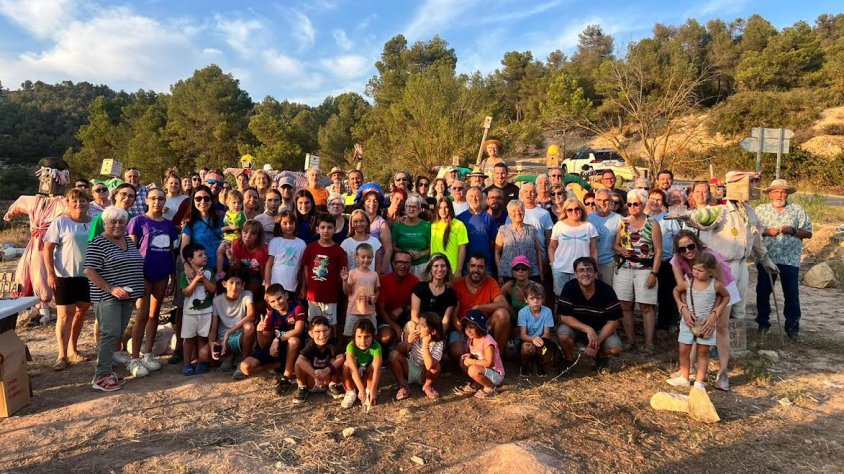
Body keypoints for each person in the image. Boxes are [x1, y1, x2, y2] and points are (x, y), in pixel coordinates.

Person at [83, 206, 145, 391]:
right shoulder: (98, 243)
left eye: (121, 222)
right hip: (107, 296)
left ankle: (107, 369)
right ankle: (100, 376)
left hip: (128, 295)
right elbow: (89, 270)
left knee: (116, 333)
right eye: (113, 222)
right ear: (104, 224)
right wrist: (111, 288)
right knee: (109, 333)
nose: (117, 225)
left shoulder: (127, 240)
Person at [671, 230, 739, 390]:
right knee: (694, 325)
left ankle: (723, 373)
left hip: (722, 290)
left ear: (696, 243)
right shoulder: (676, 261)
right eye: (682, 249)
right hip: (694, 293)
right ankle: (689, 369)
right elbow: (680, 289)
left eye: (690, 246)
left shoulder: (711, 258)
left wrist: (713, 315)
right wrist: (684, 309)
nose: (687, 251)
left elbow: (719, 291)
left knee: (720, 327)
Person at [127, 188, 179, 375]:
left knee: (155, 313)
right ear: (147, 200)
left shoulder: (169, 225)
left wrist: (173, 275)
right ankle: (134, 358)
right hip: (143, 272)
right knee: (142, 314)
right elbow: (132, 249)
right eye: (153, 198)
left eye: (161, 199)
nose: (157, 202)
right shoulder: (138, 221)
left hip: (162, 272)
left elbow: (172, 251)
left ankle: (148, 354)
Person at [755, 179, 812, 342]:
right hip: (766, 257)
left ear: (787, 194)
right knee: (763, 292)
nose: (780, 194)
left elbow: (808, 233)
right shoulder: (760, 210)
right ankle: (763, 325)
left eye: (783, 191)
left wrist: (793, 230)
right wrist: (766, 232)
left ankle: (792, 328)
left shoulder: (797, 210)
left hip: (790, 259)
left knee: (792, 294)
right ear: (770, 194)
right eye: (776, 191)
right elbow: (752, 231)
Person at [44, 188, 91, 371]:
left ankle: (73, 349)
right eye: (75, 201)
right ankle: (61, 355)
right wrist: (50, 273)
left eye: (83, 201)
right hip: (64, 275)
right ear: (68, 203)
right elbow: (47, 249)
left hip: (87, 275)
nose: (79, 204)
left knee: (81, 312)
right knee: (65, 315)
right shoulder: (61, 222)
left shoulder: (94, 222)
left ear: (88, 203)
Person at [667, 252, 730, 387]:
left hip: (706, 325)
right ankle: (684, 377)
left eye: (700, 270)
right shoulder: (688, 283)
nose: (695, 272)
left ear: (710, 272)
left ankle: (699, 381)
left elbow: (726, 297)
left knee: (703, 352)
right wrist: (681, 305)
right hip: (688, 323)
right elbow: (676, 291)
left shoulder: (716, 285)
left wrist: (716, 311)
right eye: (694, 269)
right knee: (684, 350)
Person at [613, 189, 662, 354]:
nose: (632, 207)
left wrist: (654, 273)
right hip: (625, 267)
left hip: (645, 269)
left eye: (636, 204)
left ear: (643, 204)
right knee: (624, 305)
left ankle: (649, 344)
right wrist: (620, 250)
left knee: (646, 306)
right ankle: (631, 340)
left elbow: (659, 252)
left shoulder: (652, 224)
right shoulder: (624, 222)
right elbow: (616, 245)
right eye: (629, 204)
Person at [556, 257, 623, 370]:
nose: (585, 273)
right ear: (576, 274)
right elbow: (564, 317)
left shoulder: (607, 290)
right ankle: (568, 360)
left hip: (600, 330)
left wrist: (595, 343)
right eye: (581, 270)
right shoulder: (569, 287)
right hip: (577, 329)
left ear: (596, 273)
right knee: (563, 335)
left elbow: (613, 322)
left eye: (589, 270)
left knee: (616, 349)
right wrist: (588, 330)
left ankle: (600, 357)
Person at [245, 285, 305, 394]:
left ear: (286, 295)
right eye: (272, 301)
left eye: (279, 298)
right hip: (277, 351)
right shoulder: (271, 315)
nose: (277, 303)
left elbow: (298, 330)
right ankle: (280, 366)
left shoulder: (297, 308)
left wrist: (277, 339)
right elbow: (264, 345)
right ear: (269, 302)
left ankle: (286, 378)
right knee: (245, 367)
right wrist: (259, 331)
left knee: (293, 341)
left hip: (294, 349)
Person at [451, 254, 510, 358]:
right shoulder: (457, 284)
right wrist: (462, 329)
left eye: (480, 267)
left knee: (502, 314)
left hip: (483, 327)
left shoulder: (490, 282)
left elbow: (503, 304)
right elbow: (452, 313)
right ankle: (479, 356)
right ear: (468, 266)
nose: (476, 270)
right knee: (457, 352)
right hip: (462, 327)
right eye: (473, 266)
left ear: (486, 269)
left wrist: (479, 307)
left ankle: (496, 358)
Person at [204, 273, 256, 379]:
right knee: (203, 354)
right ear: (224, 284)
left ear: (243, 285)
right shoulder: (217, 300)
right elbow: (214, 328)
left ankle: (242, 362)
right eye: (231, 283)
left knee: (249, 327)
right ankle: (230, 356)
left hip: (240, 335)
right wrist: (211, 344)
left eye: (238, 283)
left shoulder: (247, 294)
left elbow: (251, 315)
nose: (234, 287)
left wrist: (230, 331)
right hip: (224, 339)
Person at [301, 213, 346, 331]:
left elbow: (341, 273)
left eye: (329, 227)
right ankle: (312, 345)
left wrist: (335, 288)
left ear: (335, 229)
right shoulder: (310, 248)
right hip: (313, 295)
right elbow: (306, 269)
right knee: (313, 322)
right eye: (322, 227)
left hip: (330, 296)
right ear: (317, 229)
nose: (326, 230)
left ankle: (331, 346)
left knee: (330, 324)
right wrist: (305, 288)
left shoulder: (339, 250)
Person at [647, 189, 682, 336]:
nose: (655, 202)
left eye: (658, 199)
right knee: (650, 294)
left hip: (666, 261)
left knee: (666, 294)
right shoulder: (643, 217)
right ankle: (649, 323)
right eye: (652, 199)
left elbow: (677, 238)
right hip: (648, 261)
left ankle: (664, 324)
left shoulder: (668, 218)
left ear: (663, 202)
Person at [179, 243, 216, 376]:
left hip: (206, 311)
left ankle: (202, 362)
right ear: (190, 259)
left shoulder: (209, 272)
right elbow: (186, 292)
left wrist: (203, 278)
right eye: (200, 255)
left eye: (205, 254)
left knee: (202, 338)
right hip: (190, 313)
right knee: (188, 339)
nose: (204, 257)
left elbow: (212, 289)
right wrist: (195, 280)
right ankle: (187, 364)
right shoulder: (185, 274)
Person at [390, 311, 444, 400]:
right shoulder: (416, 336)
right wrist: (407, 342)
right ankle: (403, 386)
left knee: (436, 367)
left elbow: (429, 366)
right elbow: (398, 349)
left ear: (433, 331)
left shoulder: (438, 343)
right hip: (410, 367)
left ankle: (427, 386)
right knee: (393, 355)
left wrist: (426, 345)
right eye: (418, 324)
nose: (418, 327)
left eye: (423, 326)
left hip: (424, 374)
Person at [548, 198, 598, 295]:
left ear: (581, 210)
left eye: (577, 209)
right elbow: (552, 246)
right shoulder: (559, 225)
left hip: (582, 271)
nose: (574, 212)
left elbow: (593, 250)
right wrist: (553, 264)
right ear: (565, 211)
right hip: (560, 269)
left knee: (580, 297)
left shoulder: (589, 226)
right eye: (570, 209)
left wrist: (594, 268)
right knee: (560, 297)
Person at [293, 316, 345, 404]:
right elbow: (299, 361)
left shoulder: (331, 344)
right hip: (312, 381)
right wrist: (315, 375)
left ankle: (333, 385)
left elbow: (341, 358)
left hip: (326, 381)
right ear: (311, 334)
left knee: (336, 359)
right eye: (317, 331)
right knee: (301, 362)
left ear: (330, 330)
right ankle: (302, 387)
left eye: (325, 330)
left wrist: (326, 370)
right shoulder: (310, 345)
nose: (322, 335)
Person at [376, 250, 420, 349]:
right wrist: (395, 327)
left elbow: (416, 305)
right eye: (398, 262)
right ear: (392, 264)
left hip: (406, 317)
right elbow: (381, 310)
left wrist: (402, 308)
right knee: (386, 337)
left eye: (406, 263)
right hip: (385, 318)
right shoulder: (384, 281)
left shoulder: (415, 281)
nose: (402, 266)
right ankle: (384, 357)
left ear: (410, 265)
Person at [458, 310, 505, 399]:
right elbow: (477, 355)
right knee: (463, 361)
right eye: (466, 327)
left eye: (472, 327)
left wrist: (472, 361)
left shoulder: (487, 341)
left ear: (479, 327)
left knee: (472, 369)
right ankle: (478, 383)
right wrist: (469, 356)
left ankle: (490, 387)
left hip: (495, 374)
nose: (468, 330)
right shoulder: (471, 339)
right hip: (483, 370)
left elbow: (489, 363)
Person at [225, 220, 268, 313]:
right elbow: (236, 266)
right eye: (245, 232)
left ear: (258, 236)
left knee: (249, 294)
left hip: (256, 275)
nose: (247, 236)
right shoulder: (236, 243)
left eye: (252, 234)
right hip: (241, 272)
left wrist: (263, 291)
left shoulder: (263, 251)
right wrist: (231, 259)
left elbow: (263, 275)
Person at [410, 254, 457, 339]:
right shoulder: (419, 288)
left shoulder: (451, 294)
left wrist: (434, 335)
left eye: (443, 266)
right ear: (430, 269)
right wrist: (425, 331)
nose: (439, 269)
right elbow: (414, 316)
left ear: (447, 269)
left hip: (437, 332)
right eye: (436, 266)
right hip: (418, 328)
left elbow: (445, 322)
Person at [495, 199, 542, 284]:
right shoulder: (503, 229)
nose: (518, 212)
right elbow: (497, 252)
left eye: (520, 210)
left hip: (531, 273)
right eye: (514, 210)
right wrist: (500, 273)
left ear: (524, 212)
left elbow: (538, 250)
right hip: (508, 274)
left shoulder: (531, 229)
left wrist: (541, 271)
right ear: (509, 214)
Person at [180, 186, 224, 274]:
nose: (203, 202)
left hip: (223, 267)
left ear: (211, 200)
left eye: (206, 198)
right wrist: (186, 266)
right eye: (198, 198)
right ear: (193, 201)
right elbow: (183, 248)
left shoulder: (222, 219)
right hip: (202, 270)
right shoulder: (190, 223)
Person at [341, 243, 380, 340]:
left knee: (371, 336)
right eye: (363, 257)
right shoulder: (352, 273)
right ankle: (350, 354)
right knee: (350, 337)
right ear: (356, 257)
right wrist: (345, 280)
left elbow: (378, 290)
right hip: (353, 311)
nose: (366, 260)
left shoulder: (374, 274)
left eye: (369, 257)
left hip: (369, 312)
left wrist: (375, 297)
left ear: (372, 258)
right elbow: (347, 292)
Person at [342, 319, 383, 410]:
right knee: (346, 364)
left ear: (373, 336)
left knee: (375, 366)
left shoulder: (376, 347)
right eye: (359, 337)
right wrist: (360, 389)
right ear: (354, 337)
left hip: (367, 377)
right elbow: (353, 370)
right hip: (355, 378)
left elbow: (377, 369)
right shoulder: (351, 347)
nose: (363, 341)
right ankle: (350, 392)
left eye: (367, 336)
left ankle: (368, 391)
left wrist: (373, 390)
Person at [516, 282, 554, 377]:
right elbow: (523, 335)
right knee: (525, 347)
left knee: (544, 347)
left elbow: (547, 334)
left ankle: (540, 363)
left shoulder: (547, 312)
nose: (536, 301)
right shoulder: (523, 312)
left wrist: (537, 343)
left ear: (543, 299)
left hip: (542, 340)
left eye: (539, 298)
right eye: (532, 298)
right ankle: (525, 363)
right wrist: (533, 340)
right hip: (527, 340)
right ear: (526, 299)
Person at [457, 186, 497, 275]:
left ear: (482, 198)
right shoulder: (460, 219)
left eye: (477, 196)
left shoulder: (489, 218)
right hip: (466, 266)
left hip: (486, 266)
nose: (474, 199)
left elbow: (493, 243)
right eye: (471, 196)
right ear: (466, 198)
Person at [265, 210, 306, 294]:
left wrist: (303, 287)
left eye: (291, 223)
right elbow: (269, 265)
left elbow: (303, 269)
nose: (288, 226)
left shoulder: (301, 244)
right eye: (285, 223)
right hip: (273, 284)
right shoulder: (275, 241)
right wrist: (267, 284)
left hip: (291, 286)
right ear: (279, 225)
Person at [588, 189, 623, 285]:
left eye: (606, 200)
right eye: (599, 200)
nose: (602, 203)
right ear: (595, 201)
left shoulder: (619, 219)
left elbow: (620, 243)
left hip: (609, 263)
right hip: (590, 263)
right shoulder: (587, 218)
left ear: (611, 202)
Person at [391, 195, 430, 277]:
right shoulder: (398, 225)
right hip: (402, 266)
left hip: (422, 266)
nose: (411, 209)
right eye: (409, 206)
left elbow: (431, 247)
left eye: (414, 207)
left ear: (419, 210)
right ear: (405, 209)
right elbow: (392, 246)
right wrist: (405, 253)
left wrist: (421, 254)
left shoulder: (426, 226)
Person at [430, 197, 468, 276]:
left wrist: (458, 270)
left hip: (451, 270)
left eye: (446, 207)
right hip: (435, 270)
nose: (443, 210)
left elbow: (462, 248)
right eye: (440, 208)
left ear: (450, 208)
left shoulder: (459, 225)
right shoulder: (433, 225)